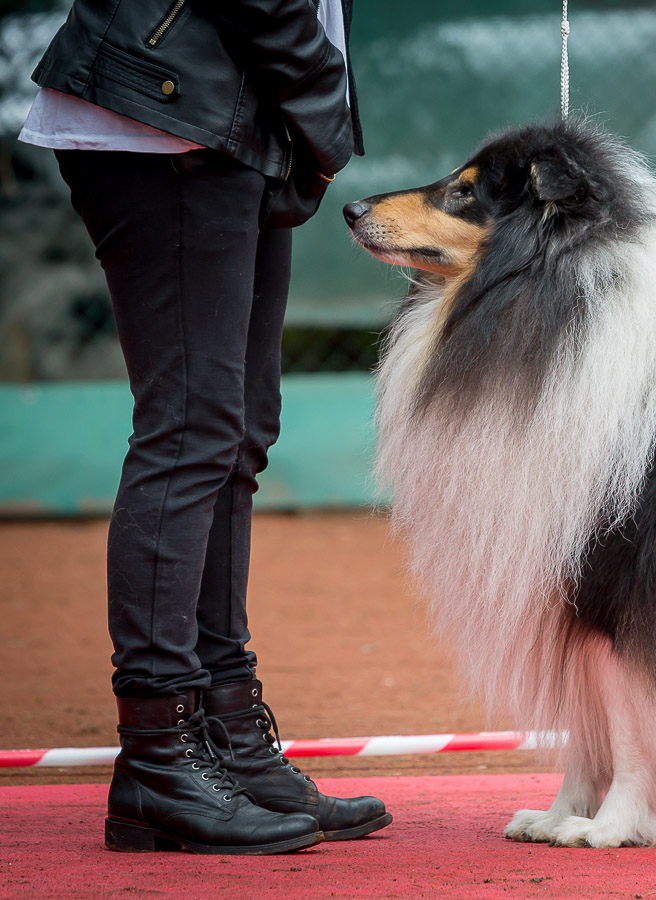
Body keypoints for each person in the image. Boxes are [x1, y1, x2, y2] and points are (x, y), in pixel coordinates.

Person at [19, 0, 390, 855]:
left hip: (238, 122)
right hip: (163, 120)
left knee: (237, 432)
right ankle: (157, 754)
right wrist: (323, 106)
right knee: (190, 430)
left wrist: (307, 121)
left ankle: (227, 733)